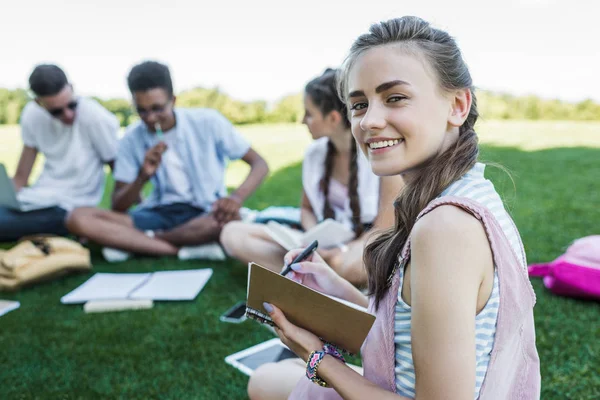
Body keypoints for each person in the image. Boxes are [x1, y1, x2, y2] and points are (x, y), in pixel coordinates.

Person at [248, 16, 540, 400]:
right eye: (358, 104)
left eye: (395, 98)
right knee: (275, 375)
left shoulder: (445, 228)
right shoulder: (467, 189)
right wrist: (337, 291)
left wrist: (317, 358)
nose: (370, 121)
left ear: (457, 104)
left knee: (266, 381)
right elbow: (410, 331)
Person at [66, 61, 269, 261]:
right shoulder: (130, 139)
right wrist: (143, 176)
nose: (151, 118)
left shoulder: (208, 122)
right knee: (77, 218)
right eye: (142, 111)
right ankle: (181, 248)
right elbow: (118, 206)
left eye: (157, 108)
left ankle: (144, 243)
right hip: (158, 213)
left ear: (173, 100)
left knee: (225, 222)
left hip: (205, 211)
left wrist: (235, 198)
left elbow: (259, 164)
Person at [220, 69, 401, 285]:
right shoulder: (315, 154)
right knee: (232, 234)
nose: (303, 121)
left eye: (309, 113)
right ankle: (321, 279)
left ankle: (310, 276)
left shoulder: (379, 151)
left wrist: (339, 251)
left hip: (363, 247)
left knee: (349, 265)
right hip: (320, 244)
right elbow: (306, 208)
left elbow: (384, 230)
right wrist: (315, 239)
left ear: (333, 118)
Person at [0, 64, 119, 242]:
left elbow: (119, 168)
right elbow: (21, 178)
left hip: (70, 206)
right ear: (39, 103)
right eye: (57, 111)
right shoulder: (31, 115)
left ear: (71, 88)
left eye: (72, 105)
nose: (69, 114)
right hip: (35, 200)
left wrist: (125, 216)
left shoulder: (94, 116)